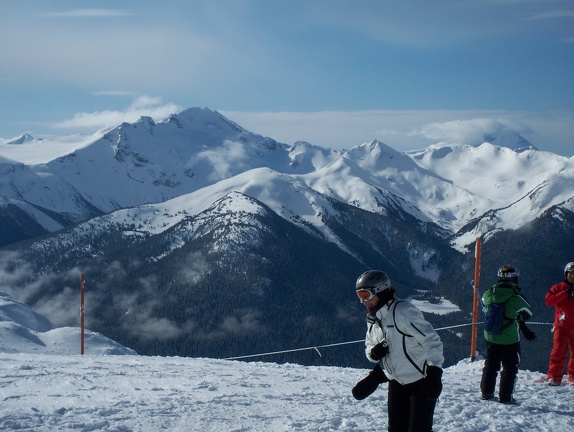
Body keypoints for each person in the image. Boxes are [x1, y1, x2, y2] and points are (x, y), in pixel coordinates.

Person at [351, 270, 444, 432]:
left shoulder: (404, 312)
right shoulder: (373, 319)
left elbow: (432, 341)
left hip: (421, 381)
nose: (363, 301)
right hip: (396, 382)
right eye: (359, 296)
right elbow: (369, 344)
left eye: (366, 294)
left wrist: (434, 372)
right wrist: (373, 353)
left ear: (381, 290)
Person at [479, 264, 534, 404]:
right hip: (509, 339)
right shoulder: (515, 298)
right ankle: (505, 397)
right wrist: (517, 317)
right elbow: (528, 313)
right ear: (514, 279)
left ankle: (486, 392)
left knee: (491, 364)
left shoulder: (488, 293)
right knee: (510, 367)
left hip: (491, 335)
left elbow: (484, 306)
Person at [544, 261, 574, 386]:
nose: (573, 276)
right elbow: (549, 301)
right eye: (571, 274)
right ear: (566, 274)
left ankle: (572, 375)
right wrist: (565, 294)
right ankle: (554, 377)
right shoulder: (559, 287)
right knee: (558, 351)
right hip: (561, 326)